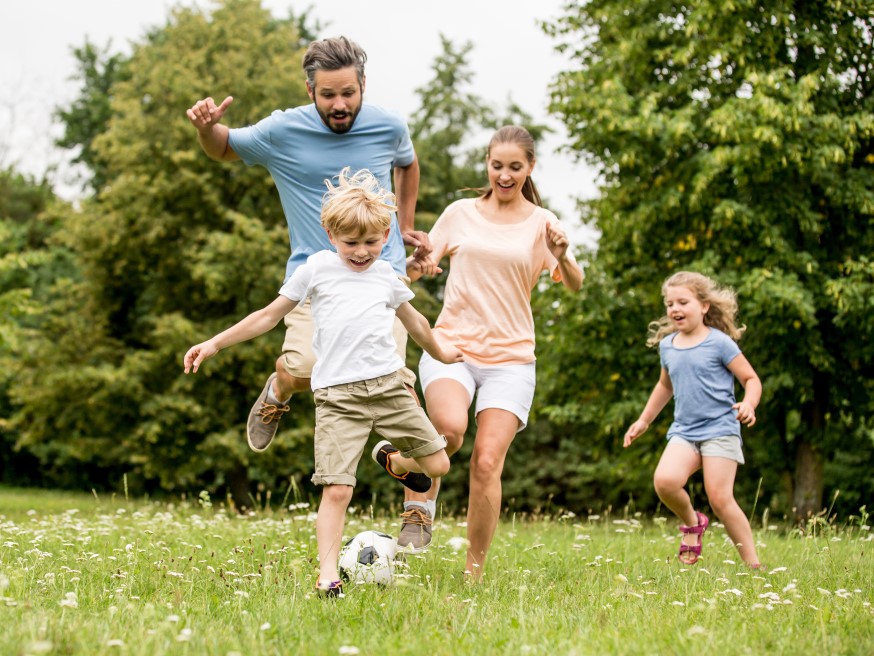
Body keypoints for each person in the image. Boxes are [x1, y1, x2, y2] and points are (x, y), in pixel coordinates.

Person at [183, 168, 462, 596]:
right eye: (351, 243)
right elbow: (268, 316)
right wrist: (215, 343)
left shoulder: (387, 276)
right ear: (330, 233)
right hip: (338, 398)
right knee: (336, 490)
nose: (362, 252)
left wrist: (443, 353)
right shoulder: (316, 270)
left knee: (438, 463)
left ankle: (394, 460)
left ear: (386, 234)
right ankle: (328, 575)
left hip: (389, 389)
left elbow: (418, 323)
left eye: (371, 243)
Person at [186, 36, 429, 453]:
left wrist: (403, 226)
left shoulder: (388, 125)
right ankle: (280, 385)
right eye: (328, 94)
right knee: (307, 369)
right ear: (310, 90)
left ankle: (417, 511)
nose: (339, 104)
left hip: (381, 274)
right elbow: (223, 147)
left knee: (398, 386)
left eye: (348, 93)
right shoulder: (282, 131)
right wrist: (207, 128)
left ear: (363, 85)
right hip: (314, 280)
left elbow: (406, 162)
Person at [391, 125, 583, 578]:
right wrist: (414, 269)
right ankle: (417, 499)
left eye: (515, 167)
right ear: (488, 165)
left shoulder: (542, 224)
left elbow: (574, 284)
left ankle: (473, 571)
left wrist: (564, 254)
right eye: (497, 165)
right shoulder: (460, 213)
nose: (504, 175)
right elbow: (415, 270)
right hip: (452, 345)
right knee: (449, 431)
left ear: (530, 167)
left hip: (512, 360)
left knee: (487, 462)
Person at [623, 271, 762, 568]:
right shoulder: (668, 346)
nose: (674, 309)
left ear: (704, 306)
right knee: (665, 481)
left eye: (683, 302)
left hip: (720, 428)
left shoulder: (720, 343)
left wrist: (749, 404)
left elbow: (751, 378)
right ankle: (692, 522)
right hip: (685, 430)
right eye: (669, 303)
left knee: (720, 499)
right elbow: (665, 386)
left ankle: (753, 566)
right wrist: (644, 420)